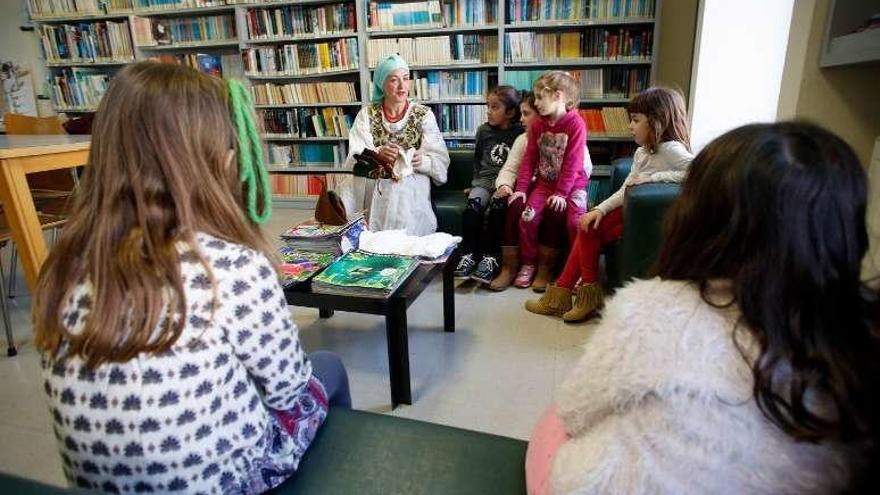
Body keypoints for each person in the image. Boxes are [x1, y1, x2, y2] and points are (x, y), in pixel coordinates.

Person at [34, 62, 351, 495]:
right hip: (229, 484)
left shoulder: (63, 268)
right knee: (328, 369)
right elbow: (288, 391)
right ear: (220, 161)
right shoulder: (232, 267)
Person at [525, 122, 879, 494]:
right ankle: (568, 290)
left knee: (553, 422)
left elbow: (576, 411)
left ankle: (571, 291)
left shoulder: (652, 307)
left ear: (696, 216)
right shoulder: (860, 335)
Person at [526, 86, 693, 321]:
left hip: (647, 219)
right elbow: (626, 188)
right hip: (630, 213)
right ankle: (569, 295)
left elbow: (698, 170)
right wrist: (598, 209)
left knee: (588, 229)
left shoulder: (671, 148)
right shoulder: (642, 152)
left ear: (656, 121)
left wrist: (654, 179)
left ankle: (573, 297)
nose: (630, 126)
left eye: (636, 120)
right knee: (588, 225)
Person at [489, 92, 593, 291]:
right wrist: (506, 185)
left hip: (565, 188)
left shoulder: (570, 131)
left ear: (543, 115)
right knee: (515, 205)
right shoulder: (523, 139)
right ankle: (511, 267)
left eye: (527, 114)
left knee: (561, 213)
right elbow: (512, 168)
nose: (521, 119)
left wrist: (562, 191)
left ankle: (550, 269)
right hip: (533, 187)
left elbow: (583, 168)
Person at [338, 54, 450, 235]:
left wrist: (423, 162)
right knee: (347, 189)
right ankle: (360, 242)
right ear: (382, 84)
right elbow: (355, 155)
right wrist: (377, 154)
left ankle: (400, 249)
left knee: (399, 189)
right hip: (373, 179)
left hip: (411, 177)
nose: (402, 86)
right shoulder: (366, 115)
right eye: (394, 80)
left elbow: (440, 159)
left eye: (405, 79)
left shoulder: (423, 115)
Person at [453, 85, 524, 282]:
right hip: (484, 181)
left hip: (506, 184)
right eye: (488, 106)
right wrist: (474, 184)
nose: (489, 111)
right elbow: (477, 160)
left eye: (495, 107)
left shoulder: (520, 133)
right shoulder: (483, 131)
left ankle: (490, 257)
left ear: (510, 112)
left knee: (498, 209)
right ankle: (468, 254)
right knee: (473, 208)